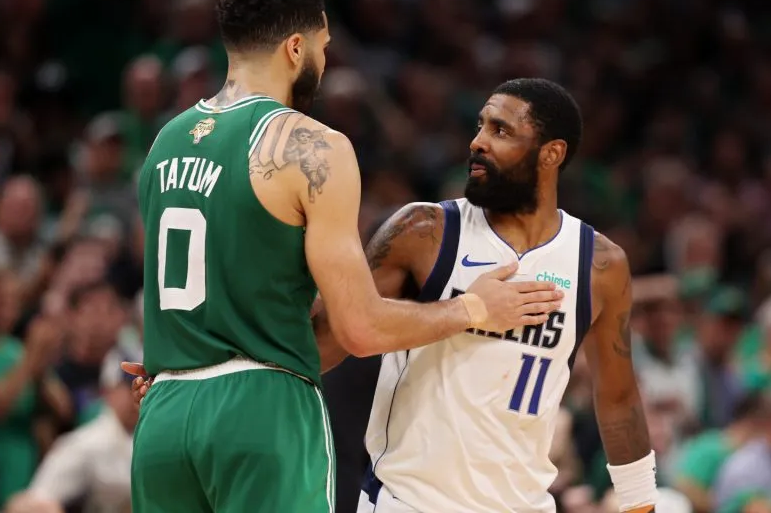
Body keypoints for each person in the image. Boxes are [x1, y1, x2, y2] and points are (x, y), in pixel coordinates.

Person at [131, 0, 563, 513]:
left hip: (163, 410)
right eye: (322, 46)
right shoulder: (310, 145)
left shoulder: (165, 143)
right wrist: (474, 307)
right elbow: (359, 328)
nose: (324, 60)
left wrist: (181, 368)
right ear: (295, 48)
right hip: (259, 407)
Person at [129, 77, 658, 512]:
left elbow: (617, 398)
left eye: (501, 130)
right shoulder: (424, 232)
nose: (478, 141)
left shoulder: (600, 265)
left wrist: (639, 504)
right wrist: (196, 372)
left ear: (552, 154)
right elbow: (322, 342)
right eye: (480, 125)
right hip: (407, 501)